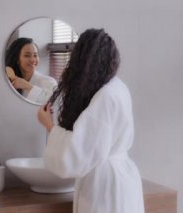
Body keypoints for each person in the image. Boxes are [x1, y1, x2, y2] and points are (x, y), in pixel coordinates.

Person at [38, 29, 144, 213]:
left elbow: (76, 156)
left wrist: (49, 125)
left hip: (105, 185)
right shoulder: (118, 87)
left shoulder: (104, 97)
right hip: (124, 180)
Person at [5, 37, 57, 104]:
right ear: (17, 59)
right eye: (27, 55)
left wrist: (28, 86)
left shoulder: (49, 82)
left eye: (35, 55)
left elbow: (53, 105)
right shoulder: (7, 81)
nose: (33, 60)